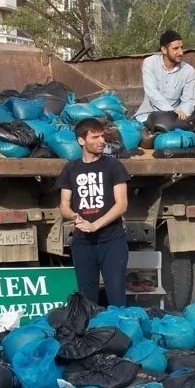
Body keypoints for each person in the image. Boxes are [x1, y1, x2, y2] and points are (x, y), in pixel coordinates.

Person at [56, 118, 130, 306]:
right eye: (95, 137)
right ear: (82, 141)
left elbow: (122, 204)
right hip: (83, 243)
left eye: (102, 136)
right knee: (87, 301)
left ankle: (118, 331)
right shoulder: (71, 169)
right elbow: (64, 204)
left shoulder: (113, 166)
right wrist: (73, 215)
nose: (101, 141)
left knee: (117, 298)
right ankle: (91, 334)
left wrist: (95, 224)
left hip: (112, 241)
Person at [134, 29, 195, 123]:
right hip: (146, 117)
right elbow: (151, 91)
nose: (181, 53)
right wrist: (171, 111)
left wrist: (181, 114)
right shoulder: (150, 63)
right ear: (164, 50)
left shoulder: (189, 71)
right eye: (175, 49)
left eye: (181, 48)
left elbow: (189, 101)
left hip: (172, 120)